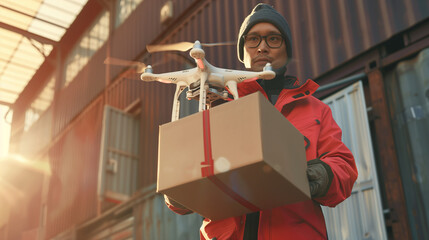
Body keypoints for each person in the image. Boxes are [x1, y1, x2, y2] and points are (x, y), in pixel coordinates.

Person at [164, 3, 358, 240]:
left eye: (273, 39)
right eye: (253, 40)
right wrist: (179, 191)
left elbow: (344, 165)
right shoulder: (216, 104)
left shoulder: (316, 110)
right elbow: (189, 171)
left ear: (287, 49)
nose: (263, 47)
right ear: (243, 52)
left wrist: (323, 175)